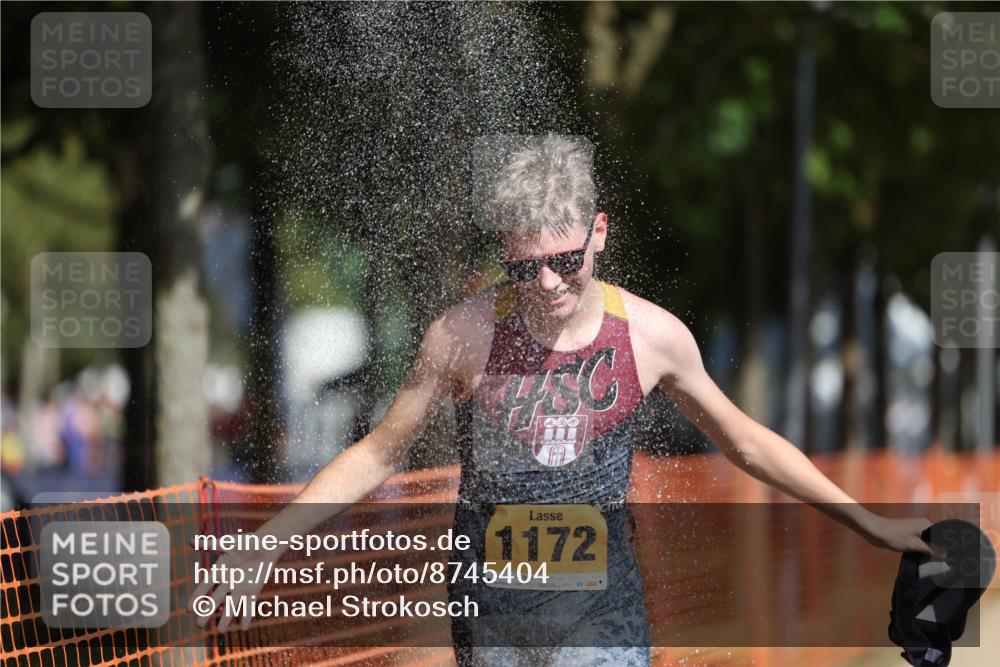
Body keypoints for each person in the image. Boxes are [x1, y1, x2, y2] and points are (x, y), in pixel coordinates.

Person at [190, 134, 941, 665]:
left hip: (603, 616)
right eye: (524, 268)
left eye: (564, 261)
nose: (547, 284)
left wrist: (869, 522)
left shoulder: (651, 336)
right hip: (492, 617)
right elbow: (377, 452)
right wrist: (267, 538)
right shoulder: (462, 336)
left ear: (598, 235)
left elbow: (747, 441)